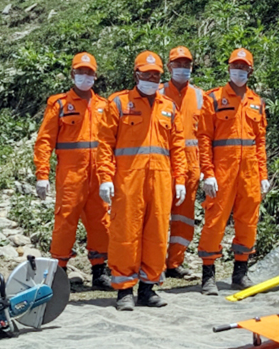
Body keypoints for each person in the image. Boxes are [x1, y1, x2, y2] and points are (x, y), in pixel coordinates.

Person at [97, 51, 187, 311]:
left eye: (156, 75)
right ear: (136, 74)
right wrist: (105, 177)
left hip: (160, 181)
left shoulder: (169, 107)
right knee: (125, 234)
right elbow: (105, 144)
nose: (151, 78)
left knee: (157, 235)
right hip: (127, 180)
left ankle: (148, 289)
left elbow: (177, 147)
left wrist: (179, 179)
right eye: (146, 74)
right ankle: (125, 290)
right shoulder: (119, 103)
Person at [34, 52, 111, 290]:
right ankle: (59, 273)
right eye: (80, 72)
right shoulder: (58, 104)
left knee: (101, 223)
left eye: (89, 72)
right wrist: (42, 175)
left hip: (98, 177)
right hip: (70, 176)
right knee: (65, 223)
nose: (85, 76)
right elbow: (45, 140)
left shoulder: (105, 106)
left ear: (95, 76)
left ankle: (100, 271)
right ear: (72, 74)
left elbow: (111, 144)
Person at [197, 48, 268, 295]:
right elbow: (204, 137)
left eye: (243, 67)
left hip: (249, 173)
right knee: (214, 221)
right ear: (229, 69)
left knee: (248, 222)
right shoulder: (213, 99)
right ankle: (208, 274)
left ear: (250, 70)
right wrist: (207, 172)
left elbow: (260, 142)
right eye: (235, 66)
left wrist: (263, 175)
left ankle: (240, 273)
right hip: (222, 172)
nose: (239, 71)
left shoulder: (257, 103)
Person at [159, 46, 205, 280]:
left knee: (184, 217)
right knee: (158, 216)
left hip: (191, 167)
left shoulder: (199, 96)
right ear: (169, 67)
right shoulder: (157, 93)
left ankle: (175, 262)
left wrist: (207, 169)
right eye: (178, 64)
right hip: (162, 164)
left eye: (186, 64)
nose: (182, 68)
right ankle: (154, 264)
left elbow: (207, 135)